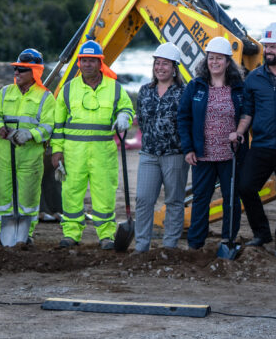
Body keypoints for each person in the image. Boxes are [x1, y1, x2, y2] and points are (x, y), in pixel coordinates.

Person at [51, 41, 134, 249]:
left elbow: (127, 109)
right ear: (79, 63)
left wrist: (124, 117)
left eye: (92, 61)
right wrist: (57, 150)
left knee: (104, 193)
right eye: (84, 60)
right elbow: (58, 124)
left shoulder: (115, 88)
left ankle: (106, 236)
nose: (87, 64)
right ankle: (71, 234)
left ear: (100, 63)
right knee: (71, 192)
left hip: (103, 153)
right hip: (73, 153)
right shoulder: (68, 89)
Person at [232, 22, 276, 258]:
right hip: (261, 144)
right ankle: (261, 233)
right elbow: (247, 112)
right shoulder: (253, 79)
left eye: (273, 46)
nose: (268, 50)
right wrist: (240, 132)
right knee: (245, 187)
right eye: (266, 46)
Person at [178, 37, 246, 250]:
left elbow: (246, 113)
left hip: (231, 155)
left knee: (232, 199)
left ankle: (228, 240)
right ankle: (196, 244)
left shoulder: (239, 88)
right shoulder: (196, 86)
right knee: (200, 200)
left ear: (228, 62)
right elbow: (183, 117)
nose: (214, 62)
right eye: (211, 58)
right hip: (202, 154)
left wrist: (240, 134)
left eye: (219, 59)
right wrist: (188, 148)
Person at [0, 48, 55, 245]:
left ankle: (26, 235)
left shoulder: (45, 97)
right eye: (16, 69)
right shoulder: (5, 92)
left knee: (28, 197)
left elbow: (48, 126)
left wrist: (30, 135)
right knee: (1, 194)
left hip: (30, 157)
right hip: (2, 156)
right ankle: (2, 232)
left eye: (21, 70)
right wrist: (0, 128)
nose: (16, 73)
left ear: (34, 72)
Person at [134, 43, 187, 253]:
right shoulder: (145, 91)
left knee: (174, 201)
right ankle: (141, 247)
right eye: (157, 63)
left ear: (174, 67)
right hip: (149, 154)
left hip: (175, 155)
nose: (160, 67)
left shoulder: (184, 92)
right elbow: (142, 119)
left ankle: (170, 247)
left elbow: (188, 122)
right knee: (144, 199)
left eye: (165, 64)